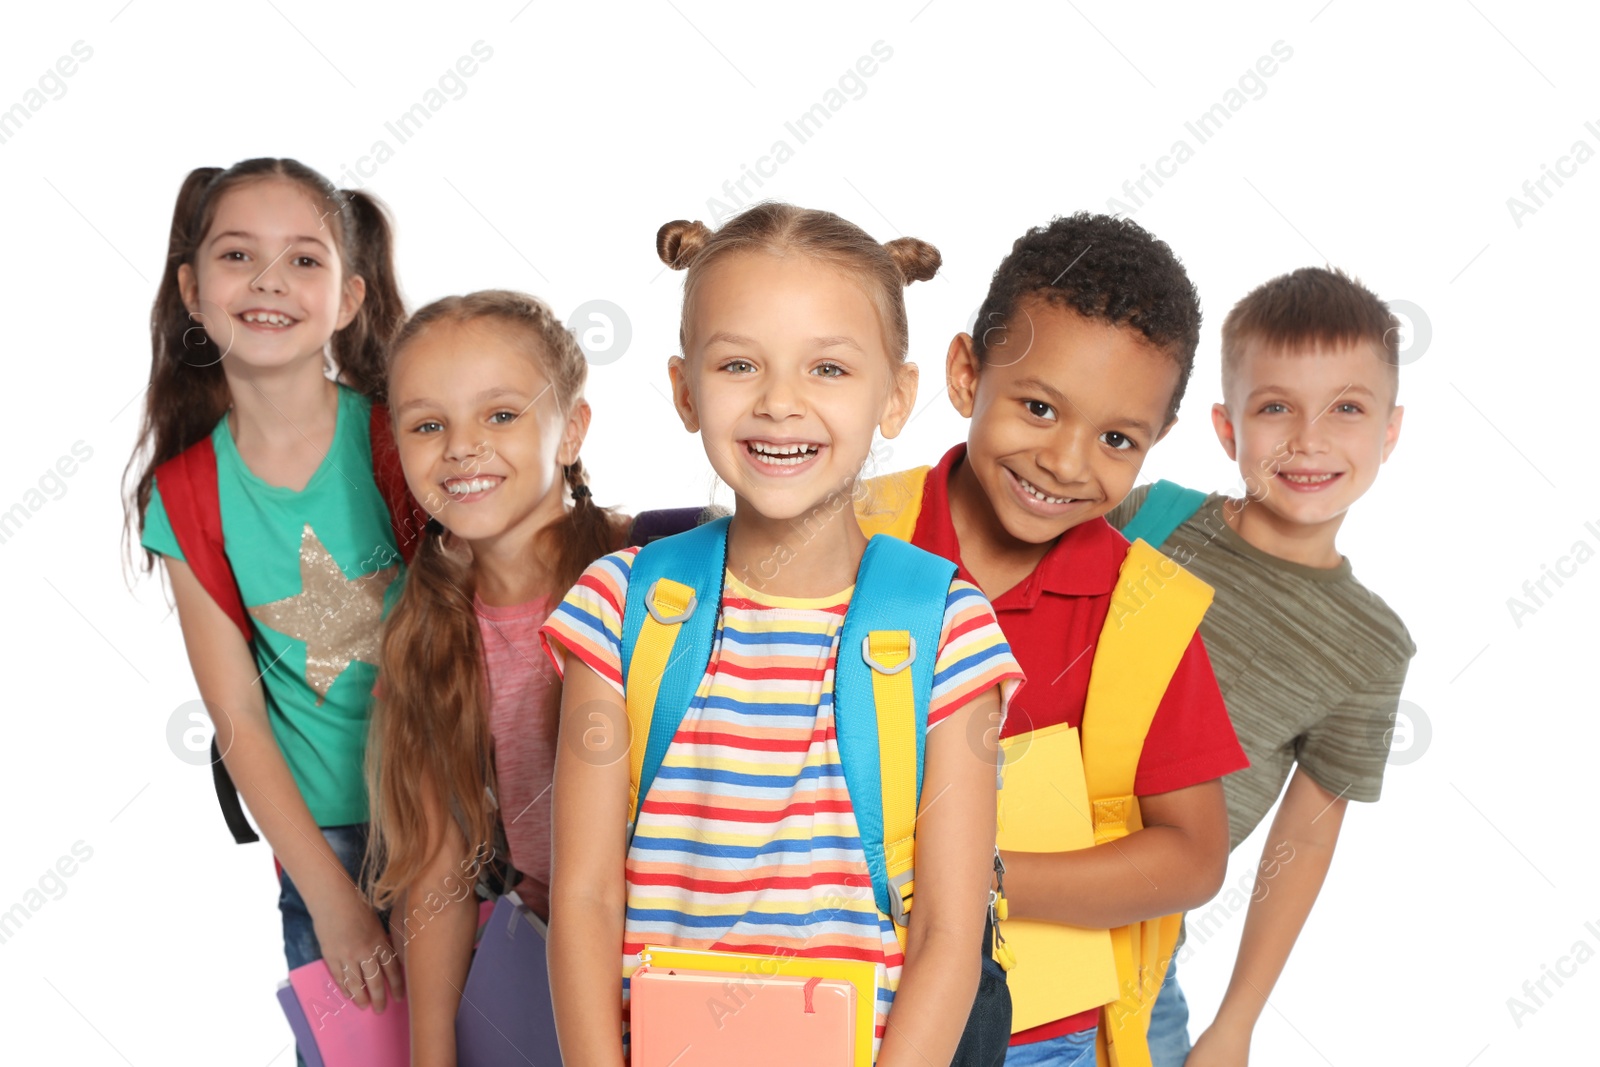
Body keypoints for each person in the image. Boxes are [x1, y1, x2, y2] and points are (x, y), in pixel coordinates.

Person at [538, 203, 1024, 1066]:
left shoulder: (945, 625)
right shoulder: (619, 607)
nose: (779, 403)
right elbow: (582, 896)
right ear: (686, 390)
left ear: (896, 396)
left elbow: (949, 930)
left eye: (828, 367)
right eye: (738, 364)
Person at [861, 212, 1249, 1065]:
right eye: (1038, 406)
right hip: (844, 998)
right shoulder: (852, 539)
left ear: (1155, 443)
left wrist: (984, 878)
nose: (1068, 462)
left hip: (1039, 1029)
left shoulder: (1138, 612)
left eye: (1116, 438)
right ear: (967, 375)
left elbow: (1194, 853)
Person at [1107, 266, 1415, 1066]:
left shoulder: (1369, 644)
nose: (1309, 439)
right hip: (996, 880)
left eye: (1347, 408)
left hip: (1141, 952)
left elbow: (1303, 842)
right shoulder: (1152, 516)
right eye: (1275, 406)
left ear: (1390, 430)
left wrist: (1236, 1021)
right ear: (1224, 426)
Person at [127, 159, 410, 1027]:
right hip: (321, 841)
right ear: (192, 290)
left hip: (459, 815)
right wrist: (328, 894)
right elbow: (241, 722)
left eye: (304, 260)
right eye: (238, 256)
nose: (269, 283)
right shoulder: (183, 496)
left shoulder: (406, 435)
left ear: (351, 297)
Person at [366, 290, 634, 1063]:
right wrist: (431, 1053)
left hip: (686, 952)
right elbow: (435, 868)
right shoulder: (427, 631)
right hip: (551, 963)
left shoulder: (655, 572)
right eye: (428, 425)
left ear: (572, 430)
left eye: (501, 415)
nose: (461, 447)